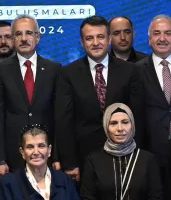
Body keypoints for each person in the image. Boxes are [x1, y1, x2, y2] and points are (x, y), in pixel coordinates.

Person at [56, 15, 145, 181]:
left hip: (124, 155)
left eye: (100, 37)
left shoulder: (130, 71)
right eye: (89, 38)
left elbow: (138, 117)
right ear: (82, 42)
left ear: (109, 39)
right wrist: (70, 163)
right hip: (84, 159)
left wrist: (137, 158)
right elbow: (64, 122)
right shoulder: (68, 74)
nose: (95, 43)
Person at [0, 15, 61, 174]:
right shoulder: (0, 71)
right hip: (13, 156)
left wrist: (57, 157)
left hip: (46, 154)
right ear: (13, 39)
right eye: (18, 34)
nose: (23, 39)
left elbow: (59, 117)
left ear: (37, 37)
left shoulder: (54, 69)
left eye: (28, 33)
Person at [136, 15, 171, 168]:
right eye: (156, 33)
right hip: (149, 152)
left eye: (168, 33)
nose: (162, 38)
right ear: (149, 39)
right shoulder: (135, 71)